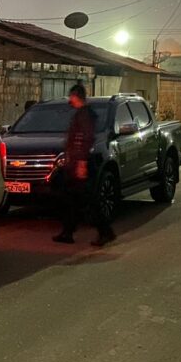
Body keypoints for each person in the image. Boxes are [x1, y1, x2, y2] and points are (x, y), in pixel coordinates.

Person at [52, 84, 116, 247]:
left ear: (76, 96)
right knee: (71, 199)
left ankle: (105, 231)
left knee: (87, 200)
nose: (70, 100)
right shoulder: (81, 113)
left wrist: (81, 163)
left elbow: (86, 138)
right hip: (74, 164)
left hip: (80, 165)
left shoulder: (85, 114)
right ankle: (68, 232)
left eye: (71, 96)